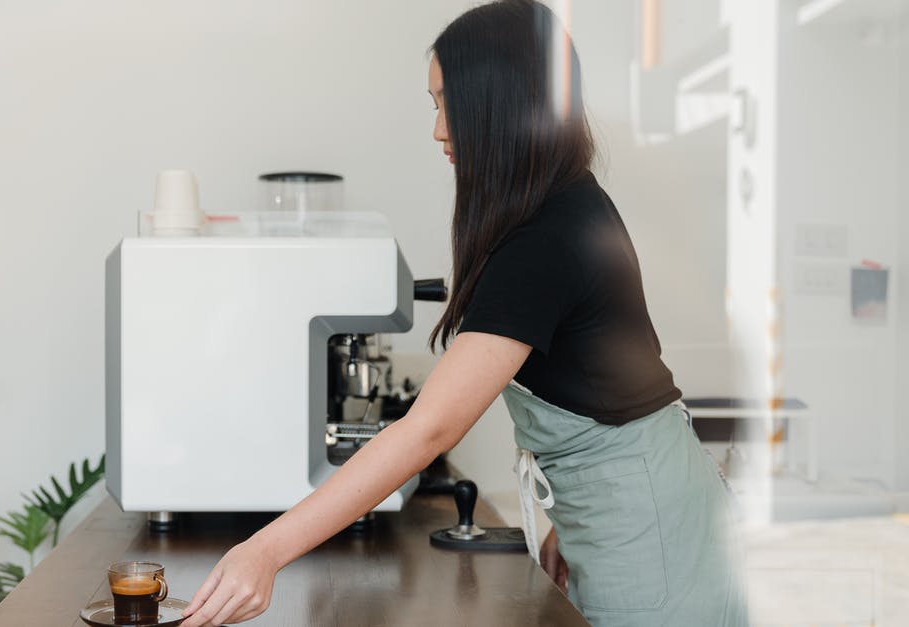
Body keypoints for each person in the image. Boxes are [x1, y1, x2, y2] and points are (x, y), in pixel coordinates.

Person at [181, 2, 748, 625]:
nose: (438, 130)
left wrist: (264, 552)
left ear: (495, 102)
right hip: (637, 514)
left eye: (445, 102)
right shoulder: (561, 206)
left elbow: (429, 431)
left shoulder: (545, 237)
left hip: (655, 537)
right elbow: (605, 388)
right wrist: (572, 518)